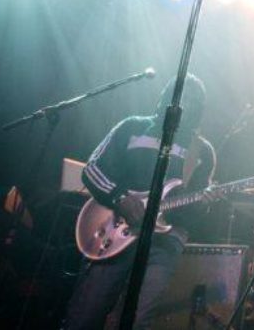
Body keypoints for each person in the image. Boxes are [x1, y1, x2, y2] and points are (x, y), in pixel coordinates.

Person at [62, 74, 216, 329]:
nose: (185, 102)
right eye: (180, 95)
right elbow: (92, 170)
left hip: (165, 241)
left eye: (192, 99)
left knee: (137, 320)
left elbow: (193, 210)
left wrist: (203, 203)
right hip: (115, 229)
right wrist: (120, 198)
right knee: (85, 314)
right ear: (166, 97)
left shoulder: (202, 151)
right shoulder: (132, 127)